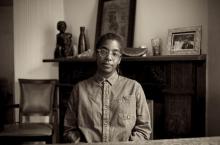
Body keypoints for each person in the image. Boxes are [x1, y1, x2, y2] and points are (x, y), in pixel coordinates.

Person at [63, 33, 152, 143]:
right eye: (104, 52)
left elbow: (143, 129)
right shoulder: (79, 89)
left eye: (114, 54)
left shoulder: (134, 88)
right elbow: (69, 129)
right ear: (96, 54)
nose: (109, 58)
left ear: (119, 59)